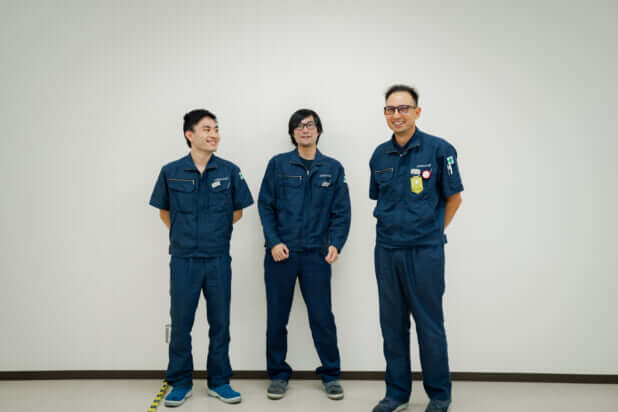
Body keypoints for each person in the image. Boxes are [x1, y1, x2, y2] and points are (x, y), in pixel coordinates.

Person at [149, 109, 254, 407]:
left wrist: (212, 232)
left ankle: (219, 381)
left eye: (216, 129)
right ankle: (180, 382)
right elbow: (164, 212)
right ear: (189, 134)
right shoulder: (171, 171)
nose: (214, 134)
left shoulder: (230, 171)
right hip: (184, 260)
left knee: (220, 323)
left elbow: (238, 211)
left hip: (218, 258)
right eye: (207, 129)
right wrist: (186, 235)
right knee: (181, 324)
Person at [369, 85, 463, 412]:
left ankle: (439, 394)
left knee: (429, 324)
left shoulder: (439, 150)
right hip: (387, 250)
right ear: (385, 114)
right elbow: (380, 198)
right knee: (392, 324)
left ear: (417, 112)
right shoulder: (379, 155)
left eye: (403, 108)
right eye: (390, 109)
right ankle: (396, 394)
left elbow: (454, 198)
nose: (397, 115)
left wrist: (432, 233)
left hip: (424, 251)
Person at [257, 108, 351, 401]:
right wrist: (274, 242)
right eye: (298, 126)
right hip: (281, 255)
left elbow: (342, 211)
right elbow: (265, 206)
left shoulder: (333, 168)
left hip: (316, 256)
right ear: (292, 133)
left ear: (318, 130)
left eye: (309, 125)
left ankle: (331, 374)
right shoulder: (278, 165)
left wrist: (336, 243)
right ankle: (278, 374)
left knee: (322, 316)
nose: (305, 129)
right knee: (277, 317)